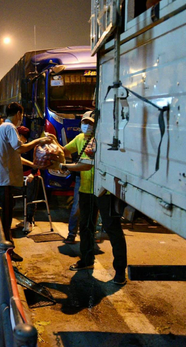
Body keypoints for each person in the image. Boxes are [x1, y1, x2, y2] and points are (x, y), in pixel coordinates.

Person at [60, 110, 128, 285]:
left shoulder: (104, 141)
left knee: (113, 229)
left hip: (104, 191)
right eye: (84, 122)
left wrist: (64, 165)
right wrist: (49, 144)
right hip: (85, 190)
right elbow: (64, 151)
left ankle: (120, 271)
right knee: (85, 227)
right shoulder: (80, 139)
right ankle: (87, 260)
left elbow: (85, 165)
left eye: (91, 122)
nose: (87, 125)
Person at [0, 102, 48, 261]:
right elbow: (20, 148)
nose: (21, 118)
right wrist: (38, 141)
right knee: (6, 218)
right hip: (5, 182)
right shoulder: (9, 128)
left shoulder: (2, 128)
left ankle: (4, 251)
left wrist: (33, 164)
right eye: (21, 115)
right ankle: (6, 253)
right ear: (18, 114)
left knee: (5, 218)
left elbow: (15, 155)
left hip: (1, 180)